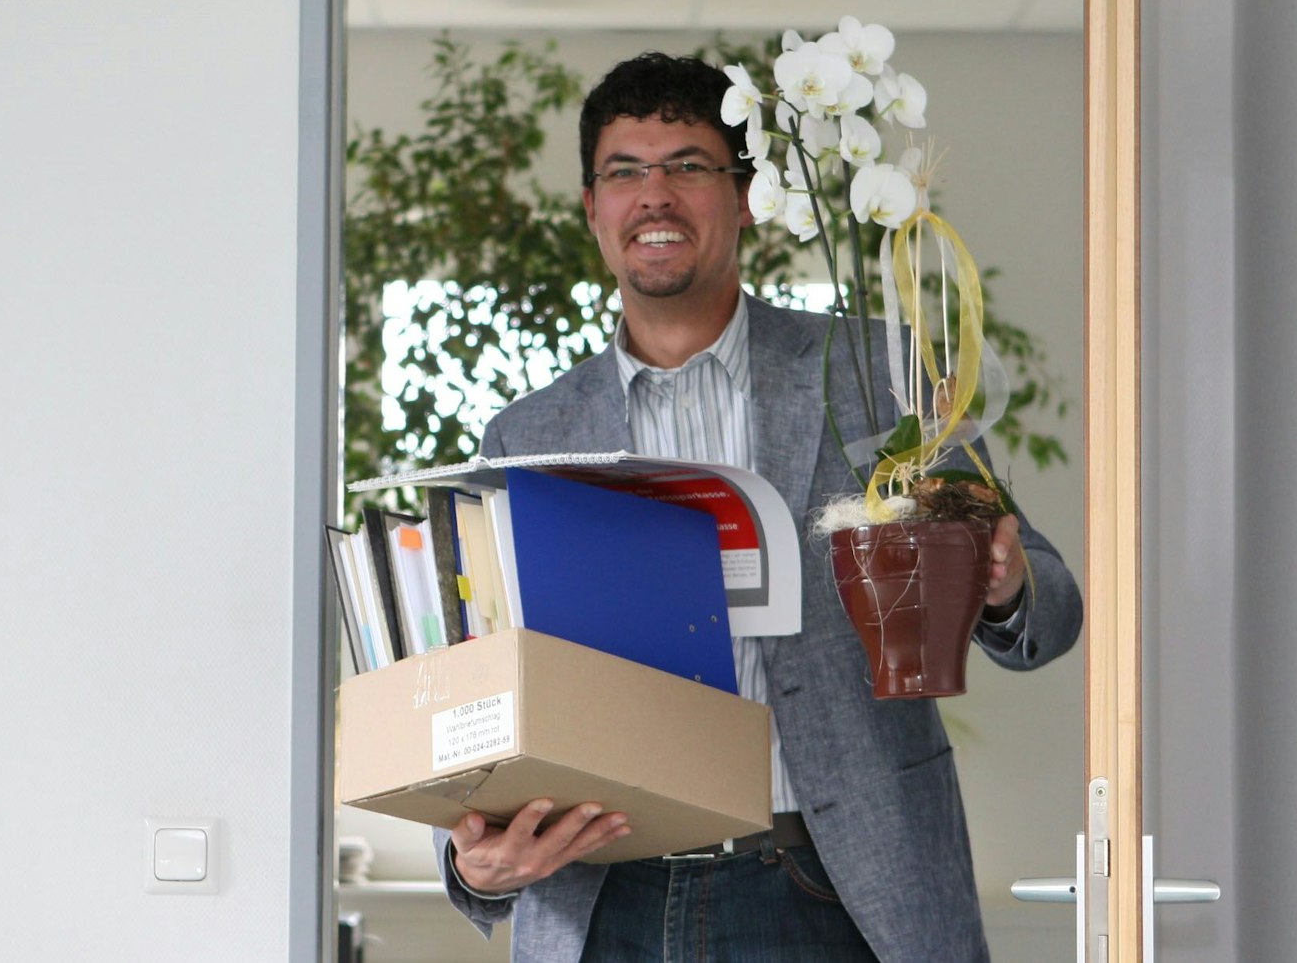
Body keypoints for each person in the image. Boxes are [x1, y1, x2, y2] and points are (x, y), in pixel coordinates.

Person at [431, 52, 1083, 962]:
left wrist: (1000, 581)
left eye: (687, 166)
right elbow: (477, 691)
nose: (653, 195)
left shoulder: (871, 373)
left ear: (743, 198)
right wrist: (473, 865)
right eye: (624, 172)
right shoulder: (526, 435)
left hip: (828, 886)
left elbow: (1047, 611)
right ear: (591, 208)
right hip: (600, 899)